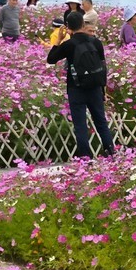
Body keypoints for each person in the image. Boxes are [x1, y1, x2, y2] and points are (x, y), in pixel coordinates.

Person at [46, 12, 115, 159]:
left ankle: (86, 160)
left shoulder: (69, 44)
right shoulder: (95, 42)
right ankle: (111, 154)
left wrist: (58, 40)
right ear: (83, 25)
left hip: (76, 88)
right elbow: (103, 66)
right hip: (96, 88)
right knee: (101, 122)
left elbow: (51, 59)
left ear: (68, 27)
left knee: (80, 126)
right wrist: (103, 88)